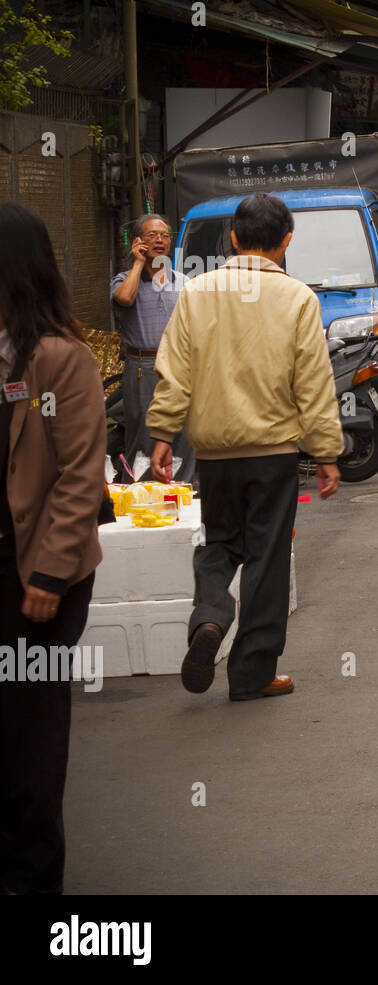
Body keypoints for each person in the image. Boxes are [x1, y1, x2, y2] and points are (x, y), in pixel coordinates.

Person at [147, 193, 343, 702]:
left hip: (213, 453)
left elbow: (174, 372)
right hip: (272, 450)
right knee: (266, 557)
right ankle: (252, 673)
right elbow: (313, 385)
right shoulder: (299, 299)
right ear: (286, 242)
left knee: (220, 545)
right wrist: (325, 452)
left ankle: (210, 615)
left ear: (232, 239)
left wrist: (164, 434)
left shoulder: (196, 293)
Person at [0, 204, 106, 893]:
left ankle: (33, 881)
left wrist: (48, 571)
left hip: (35, 577)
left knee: (29, 740)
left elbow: (78, 476)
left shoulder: (59, 362)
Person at [109, 214, 195, 483]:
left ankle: (181, 493)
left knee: (183, 434)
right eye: (151, 235)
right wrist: (138, 263)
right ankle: (140, 495)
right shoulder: (124, 280)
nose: (159, 239)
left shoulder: (183, 281)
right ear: (138, 241)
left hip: (181, 365)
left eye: (164, 235)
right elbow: (124, 299)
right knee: (145, 434)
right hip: (143, 367)